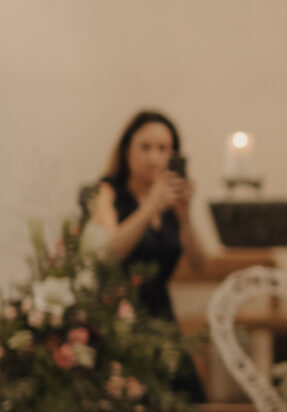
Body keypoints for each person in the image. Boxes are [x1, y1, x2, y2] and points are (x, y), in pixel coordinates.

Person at [85, 111, 229, 323]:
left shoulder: (170, 201)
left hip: (161, 319)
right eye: (145, 147)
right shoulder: (106, 192)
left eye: (163, 149)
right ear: (126, 151)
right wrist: (150, 207)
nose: (154, 158)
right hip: (115, 317)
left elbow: (201, 265)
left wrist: (185, 217)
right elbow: (108, 254)